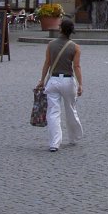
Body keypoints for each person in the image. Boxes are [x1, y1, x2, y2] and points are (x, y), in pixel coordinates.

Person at [36, 17, 83, 152]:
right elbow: (77, 66)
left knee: (53, 112)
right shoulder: (75, 47)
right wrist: (80, 84)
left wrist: (42, 80)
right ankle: (74, 137)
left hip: (54, 80)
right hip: (68, 80)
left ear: (60, 29)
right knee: (71, 109)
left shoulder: (51, 44)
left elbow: (47, 63)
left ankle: (54, 143)